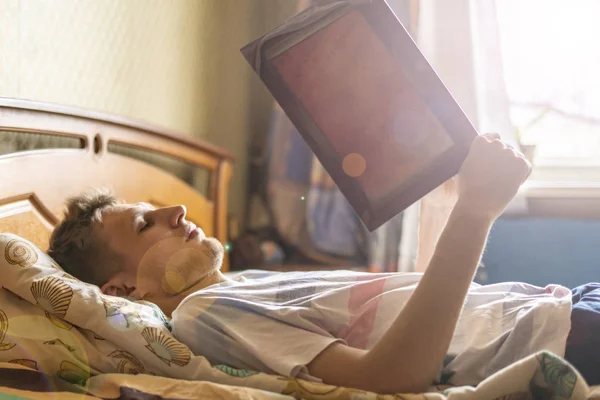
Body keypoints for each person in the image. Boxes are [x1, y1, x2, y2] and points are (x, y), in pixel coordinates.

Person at [47, 134, 599, 393]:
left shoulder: (243, 285)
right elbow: (393, 377)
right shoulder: (204, 314)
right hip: (563, 339)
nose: (177, 209)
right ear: (123, 289)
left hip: (563, 306)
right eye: (146, 224)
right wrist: (474, 212)